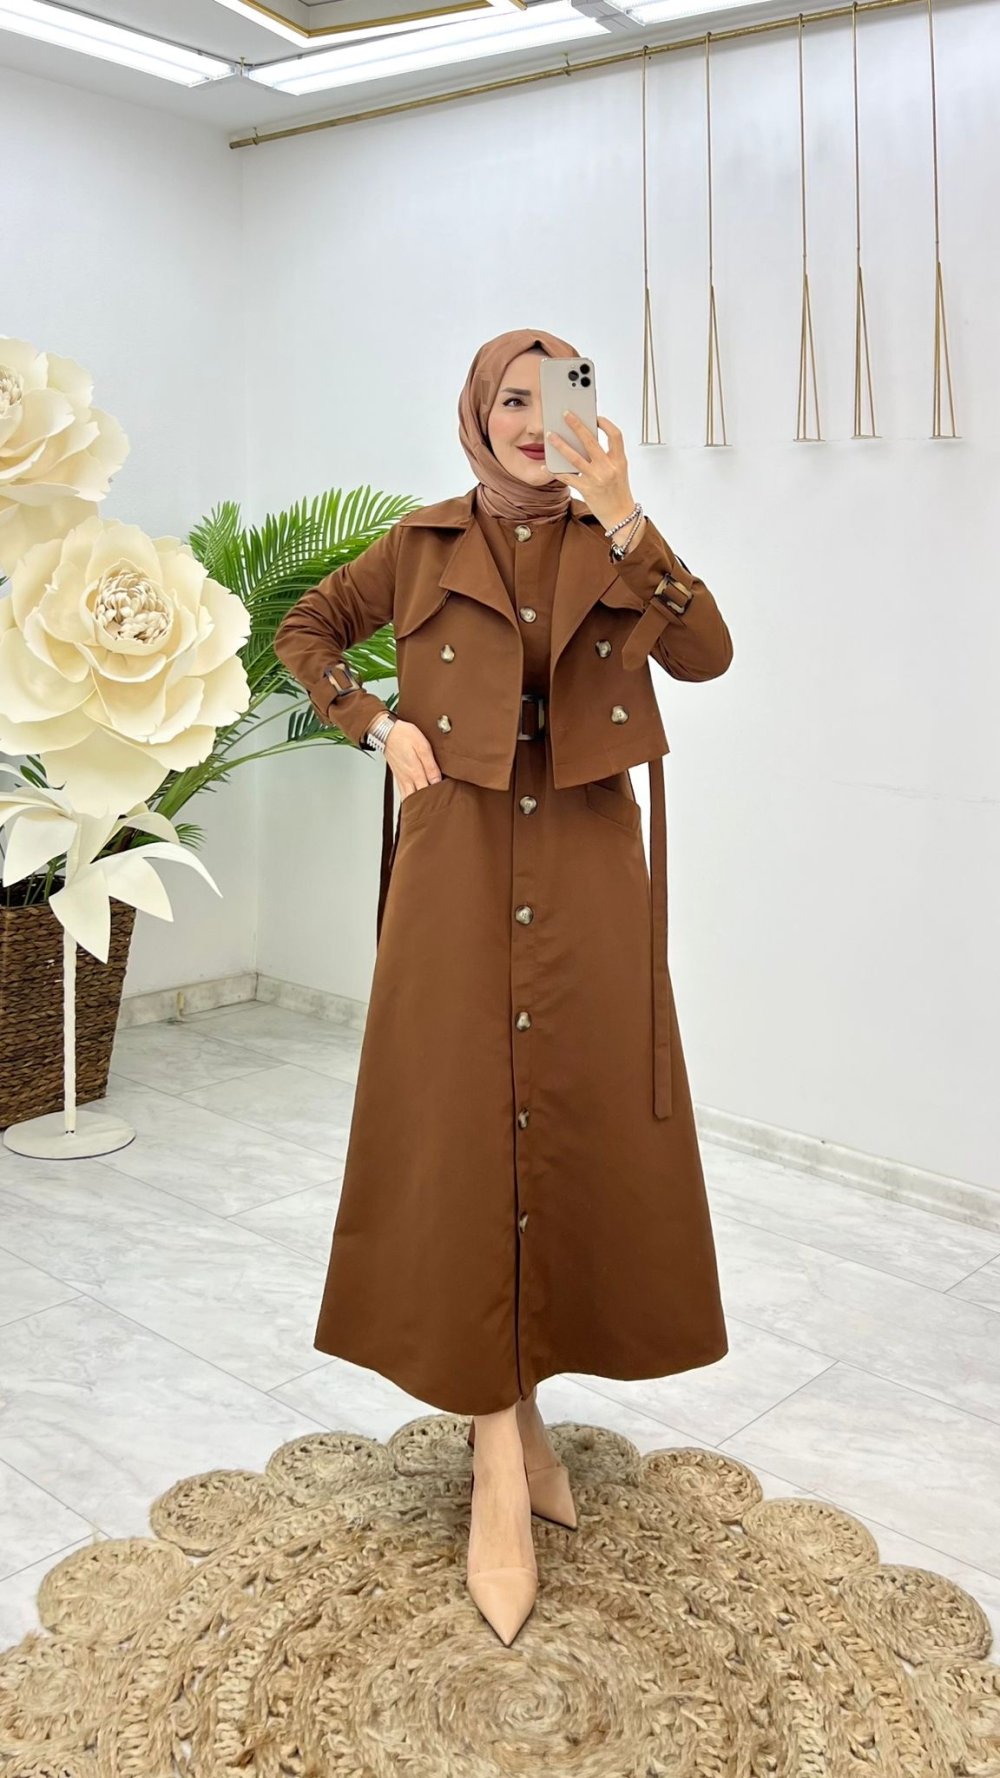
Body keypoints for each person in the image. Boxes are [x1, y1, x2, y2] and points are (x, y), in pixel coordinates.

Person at [273, 328, 734, 1648]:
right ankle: (494, 1456)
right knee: (464, 1120)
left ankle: (523, 1411)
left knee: (574, 1113)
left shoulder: (614, 541)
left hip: (587, 855)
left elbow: (707, 655)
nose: (536, 421)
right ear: (477, 413)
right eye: (513, 399)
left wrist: (628, 516)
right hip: (457, 851)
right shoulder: (419, 545)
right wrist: (376, 724)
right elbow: (308, 630)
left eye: (559, 396)